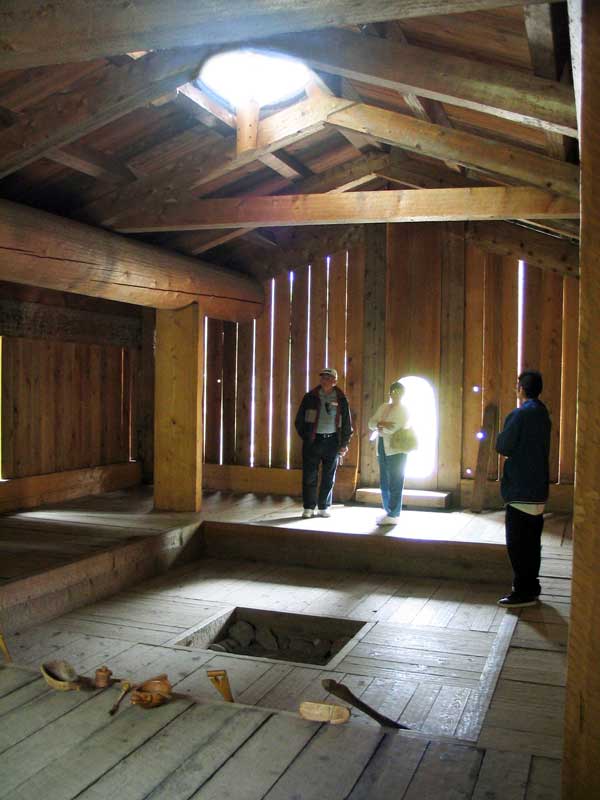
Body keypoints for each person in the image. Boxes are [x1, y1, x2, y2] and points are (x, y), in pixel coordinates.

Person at [495, 370, 551, 608]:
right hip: (538, 489)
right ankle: (532, 586)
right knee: (532, 543)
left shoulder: (519, 415)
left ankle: (522, 591)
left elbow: (504, 446)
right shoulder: (542, 413)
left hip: (520, 488)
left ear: (521, 389)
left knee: (517, 545)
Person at [295, 367, 353, 519]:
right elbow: (299, 421)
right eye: (323, 377)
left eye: (328, 377)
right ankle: (308, 507)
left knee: (329, 476)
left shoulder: (341, 399)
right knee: (309, 475)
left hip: (332, 441)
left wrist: (344, 443)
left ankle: (324, 506)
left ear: (334, 381)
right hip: (313, 441)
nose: (325, 380)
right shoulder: (310, 397)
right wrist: (307, 437)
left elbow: (347, 423)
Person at [368, 381, 411, 526]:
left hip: (397, 448)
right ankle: (388, 511)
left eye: (399, 392)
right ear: (390, 393)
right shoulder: (384, 407)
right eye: (393, 391)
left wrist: (380, 425)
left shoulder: (404, 410)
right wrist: (381, 424)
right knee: (384, 481)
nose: (396, 394)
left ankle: (394, 513)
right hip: (382, 447)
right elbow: (370, 423)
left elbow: (393, 428)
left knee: (396, 480)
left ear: (403, 394)